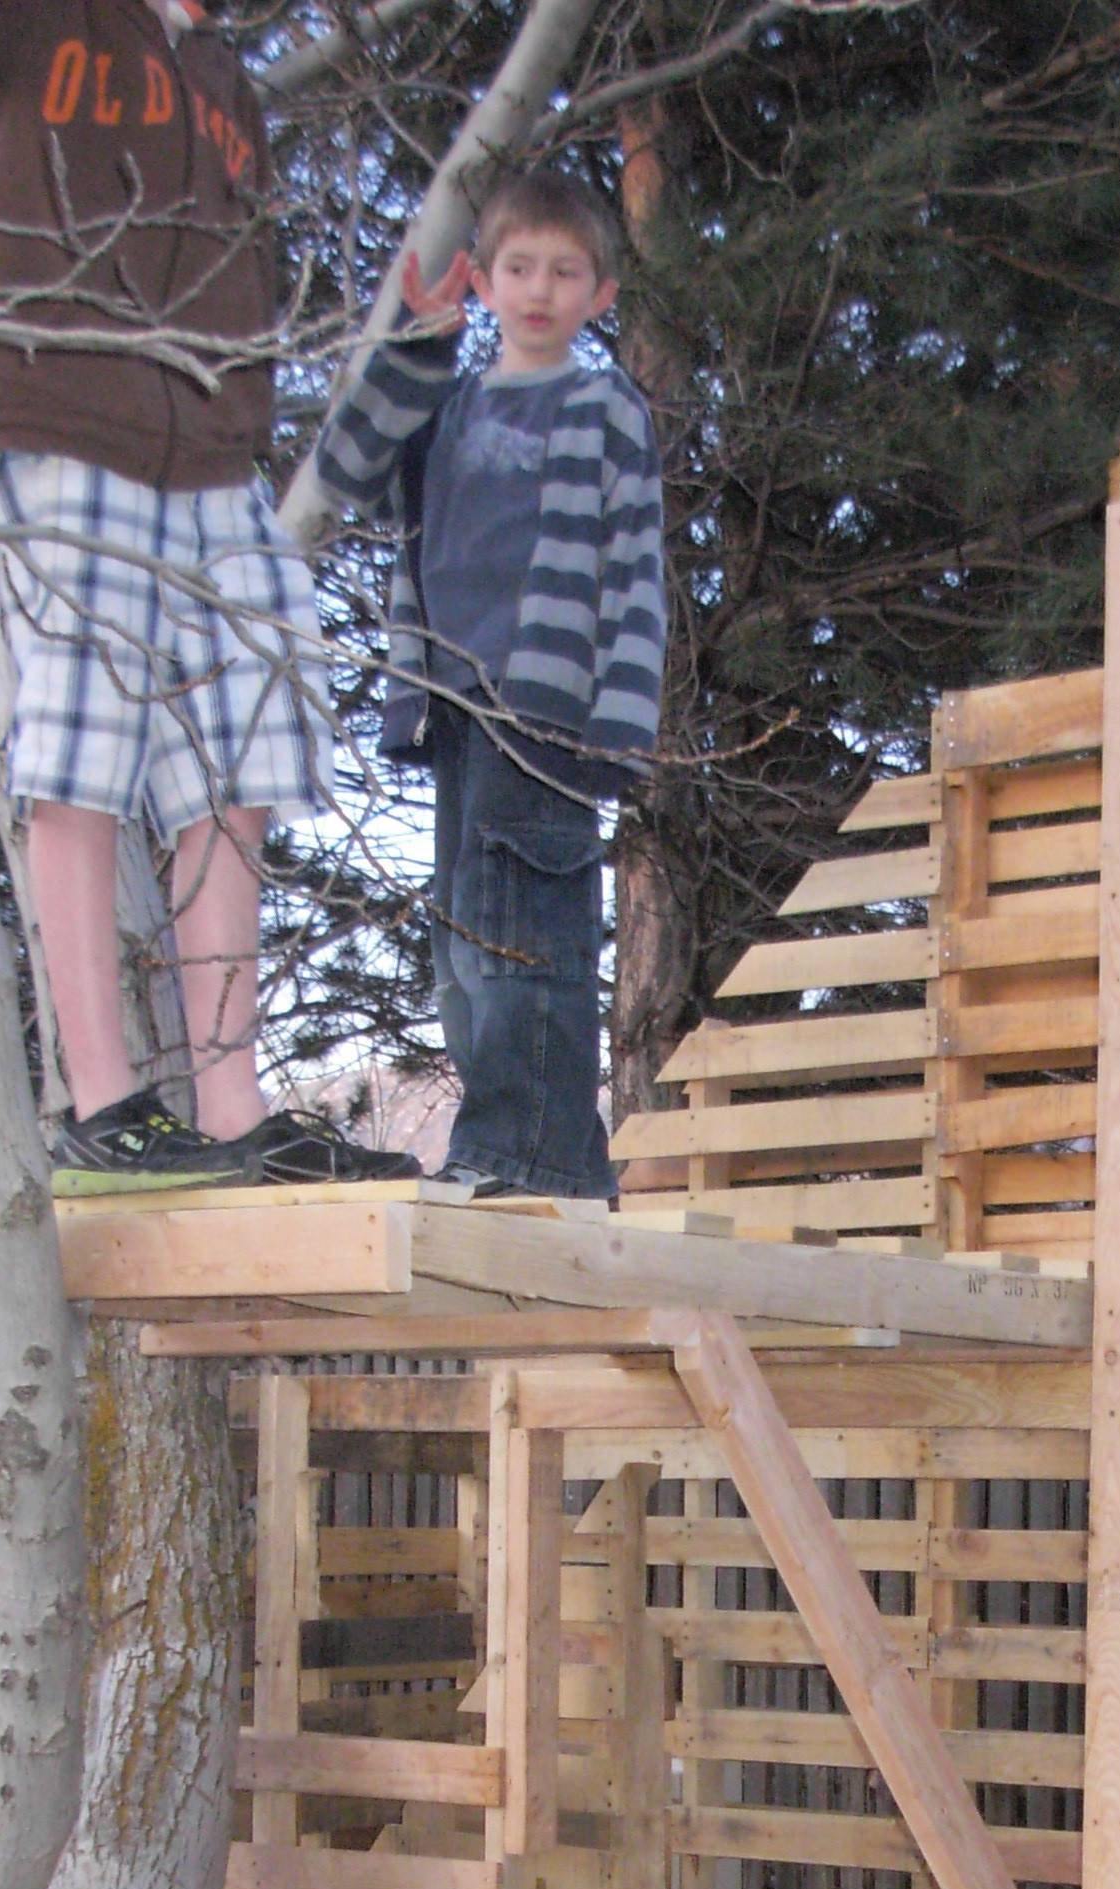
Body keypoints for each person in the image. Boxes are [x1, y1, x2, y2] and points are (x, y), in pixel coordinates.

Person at [0, 0, 416, 1189]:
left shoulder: (221, 73)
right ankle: (102, 1100)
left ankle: (230, 1103)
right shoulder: (32, 19)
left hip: (210, 445)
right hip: (67, 408)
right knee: (87, 731)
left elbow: (243, 255)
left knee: (254, 732)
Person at [312, 167, 666, 1201]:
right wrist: (416, 341)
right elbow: (345, 464)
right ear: (482, 279)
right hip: (453, 709)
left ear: (601, 293)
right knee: (464, 949)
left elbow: (636, 569)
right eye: (519, 268)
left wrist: (619, 728)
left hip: (543, 711)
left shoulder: (601, 405)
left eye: (565, 271)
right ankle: (545, 1155)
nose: (540, 289)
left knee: (526, 931)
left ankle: (525, 1153)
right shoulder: (449, 405)